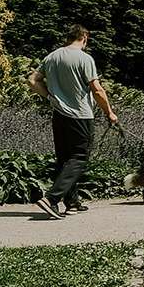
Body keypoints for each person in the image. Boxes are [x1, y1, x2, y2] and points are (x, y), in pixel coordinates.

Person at [28, 25, 118, 218]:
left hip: (59, 115)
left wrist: (50, 97)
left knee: (64, 159)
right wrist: (109, 112)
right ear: (84, 38)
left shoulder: (51, 57)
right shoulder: (85, 59)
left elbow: (32, 80)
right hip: (80, 115)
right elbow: (97, 89)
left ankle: (72, 202)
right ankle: (51, 199)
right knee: (79, 158)